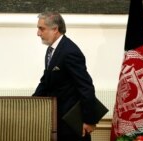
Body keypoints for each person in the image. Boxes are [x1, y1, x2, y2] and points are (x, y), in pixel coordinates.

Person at [33, 11, 97, 141]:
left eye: (41, 29)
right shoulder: (52, 49)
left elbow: (86, 87)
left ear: (55, 29)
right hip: (57, 121)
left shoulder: (70, 52)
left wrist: (90, 120)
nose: (38, 33)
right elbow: (46, 81)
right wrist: (30, 103)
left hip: (72, 125)